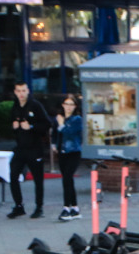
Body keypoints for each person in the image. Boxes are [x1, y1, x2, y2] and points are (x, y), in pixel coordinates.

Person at [6, 82, 51, 219]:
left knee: (38, 179)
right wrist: (13, 126)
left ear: (28, 91)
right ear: (15, 92)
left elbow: (47, 124)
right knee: (13, 175)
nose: (21, 93)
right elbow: (10, 124)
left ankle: (39, 207)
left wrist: (31, 126)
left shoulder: (35, 105)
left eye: (23, 90)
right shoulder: (15, 106)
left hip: (34, 148)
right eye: (18, 91)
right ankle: (18, 206)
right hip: (20, 148)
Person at [55, 94, 83, 222]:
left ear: (75, 106)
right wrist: (54, 144)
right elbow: (55, 134)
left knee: (67, 178)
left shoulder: (77, 119)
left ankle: (66, 207)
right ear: (63, 105)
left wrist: (61, 125)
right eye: (66, 104)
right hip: (62, 152)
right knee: (67, 180)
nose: (69, 107)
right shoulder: (59, 118)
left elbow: (70, 133)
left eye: (71, 104)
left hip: (73, 152)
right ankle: (75, 208)